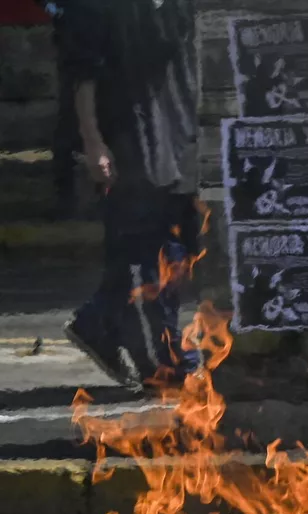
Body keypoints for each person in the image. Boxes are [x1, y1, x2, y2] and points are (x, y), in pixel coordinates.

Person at [59, 0, 201, 390]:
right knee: (148, 256)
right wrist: (93, 142)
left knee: (176, 248)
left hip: (175, 139)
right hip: (130, 143)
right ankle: (162, 362)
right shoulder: (99, 9)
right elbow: (82, 76)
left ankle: (97, 322)